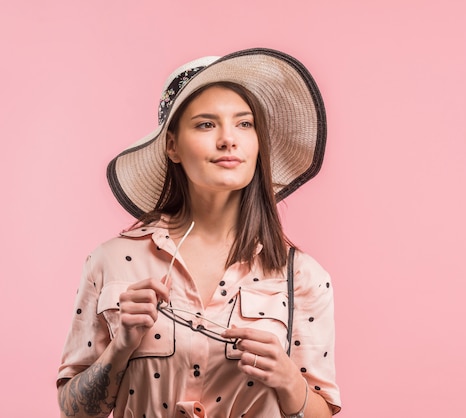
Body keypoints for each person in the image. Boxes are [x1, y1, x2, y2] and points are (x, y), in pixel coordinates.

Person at [57, 48, 341, 418]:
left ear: (258, 143)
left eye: (244, 124)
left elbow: (322, 408)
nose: (228, 140)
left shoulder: (302, 276)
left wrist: (289, 380)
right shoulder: (110, 261)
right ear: (172, 145)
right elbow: (73, 410)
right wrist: (121, 345)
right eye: (206, 124)